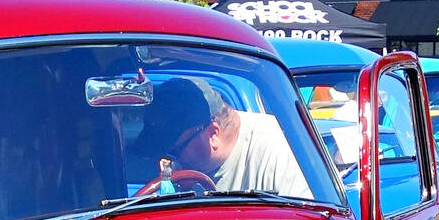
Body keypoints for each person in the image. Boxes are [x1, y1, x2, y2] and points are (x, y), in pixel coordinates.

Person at [134, 78, 312, 198]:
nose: (167, 162)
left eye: (174, 152)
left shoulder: (280, 149)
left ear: (213, 133)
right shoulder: (181, 163)